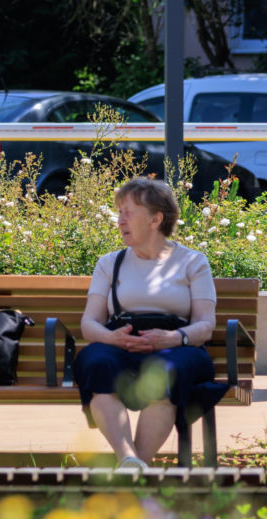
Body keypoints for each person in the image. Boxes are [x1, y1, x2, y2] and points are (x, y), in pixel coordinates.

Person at [73, 176, 227, 470]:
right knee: (96, 363)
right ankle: (129, 460)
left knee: (167, 371)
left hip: (177, 346)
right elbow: (89, 323)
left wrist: (174, 338)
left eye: (128, 212)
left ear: (156, 218)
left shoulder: (193, 262)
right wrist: (111, 338)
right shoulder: (109, 263)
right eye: (119, 212)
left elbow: (205, 325)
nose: (120, 220)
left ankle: (136, 468)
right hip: (119, 344)